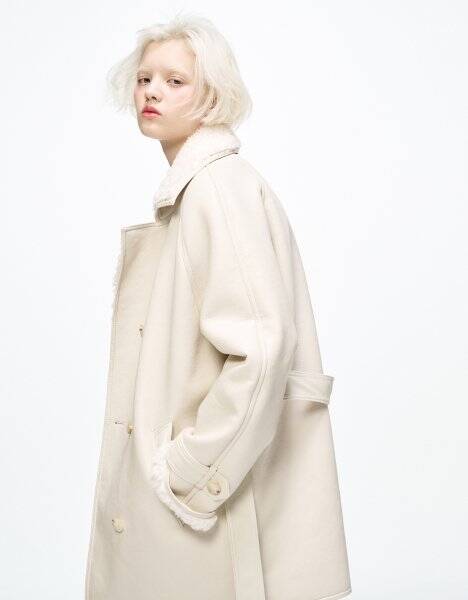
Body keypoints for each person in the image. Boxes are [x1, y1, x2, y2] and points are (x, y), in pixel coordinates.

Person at [84, 12, 352, 600]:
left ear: (213, 95)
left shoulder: (216, 187)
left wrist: (192, 471)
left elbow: (263, 346)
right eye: (145, 78)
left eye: (175, 80)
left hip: (204, 500)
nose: (152, 92)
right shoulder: (199, 188)